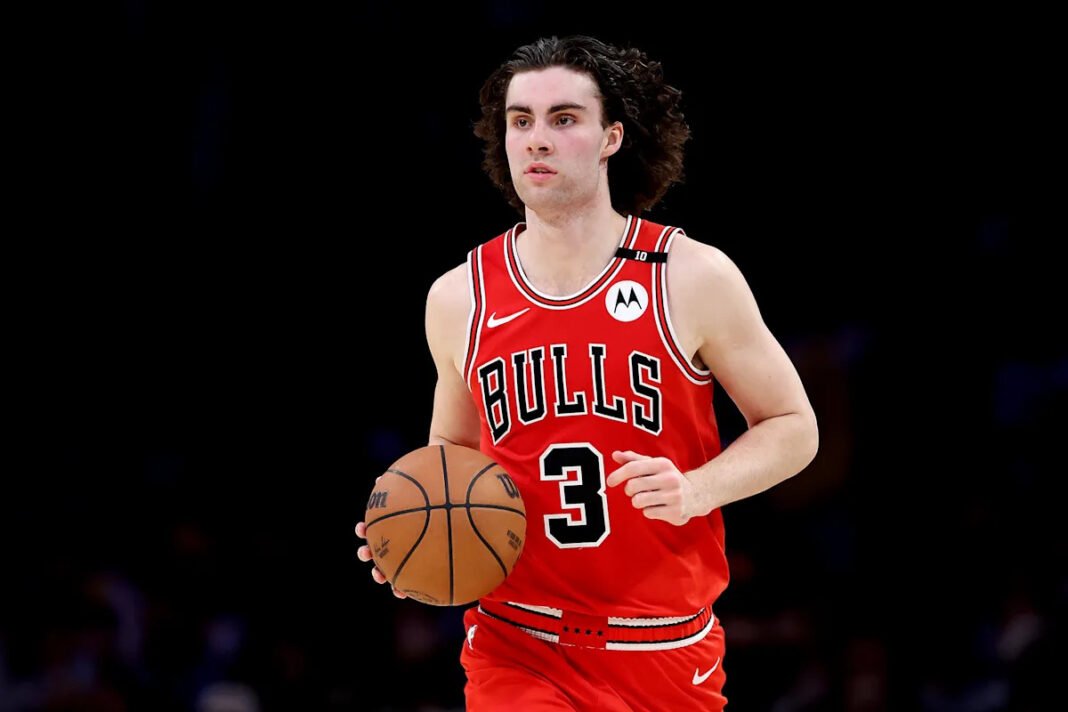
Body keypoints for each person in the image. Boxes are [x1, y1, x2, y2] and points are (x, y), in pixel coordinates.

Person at [356, 34, 819, 710]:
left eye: (564, 118)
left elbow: (794, 426)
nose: (537, 140)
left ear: (612, 138)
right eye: (521, 121)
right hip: (517, 643)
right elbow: (452, 451)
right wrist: (416, 534)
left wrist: (697, 489)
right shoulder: (460, 296)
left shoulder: (691, 277)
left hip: (665, 646)